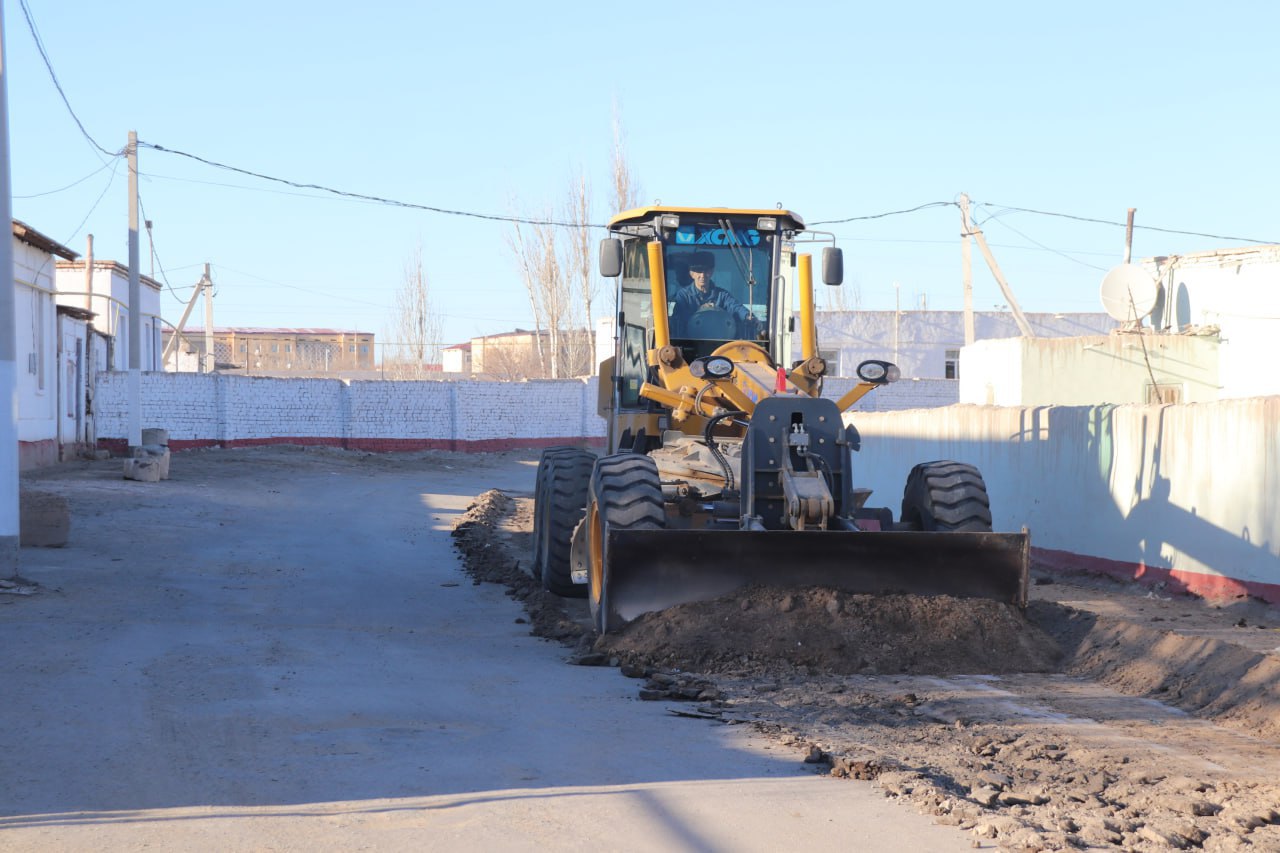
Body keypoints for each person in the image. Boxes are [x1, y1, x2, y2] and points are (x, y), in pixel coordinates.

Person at [670, 252, 758, 338]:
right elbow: (678, 318)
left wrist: (747, 316)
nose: (702, 275)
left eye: (706, 271)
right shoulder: (683, 296)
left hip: (720, 344)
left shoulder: (722, 295)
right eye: (698, 271)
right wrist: (702, 310)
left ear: (712, 271)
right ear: (691, 273)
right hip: (689, 345)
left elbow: (736, 307)